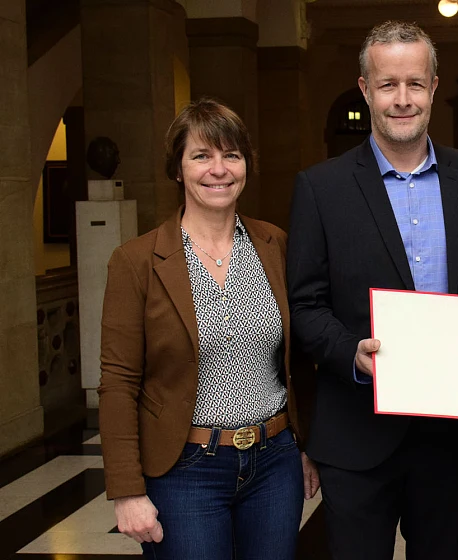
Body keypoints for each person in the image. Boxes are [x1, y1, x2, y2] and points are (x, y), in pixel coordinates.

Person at [287, 21, 458, 560]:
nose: (402, 99)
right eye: (388, 85)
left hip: (449, 439)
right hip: (356, 435)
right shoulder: (321, 187)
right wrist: (351, 355)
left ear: (433, 86)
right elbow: (305, 304)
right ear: (365, 89)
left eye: (414, 83)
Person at [98, 98, 319, 560]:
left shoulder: (274, 243)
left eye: (231, 155)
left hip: (274, 463)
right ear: (178, 169)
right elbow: (118, 383)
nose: (218, 169)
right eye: (201, 155)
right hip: (184, 469)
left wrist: (304, 446)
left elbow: (298, 357)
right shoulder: (136, 261)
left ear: (246, 165)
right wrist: (126, 490)